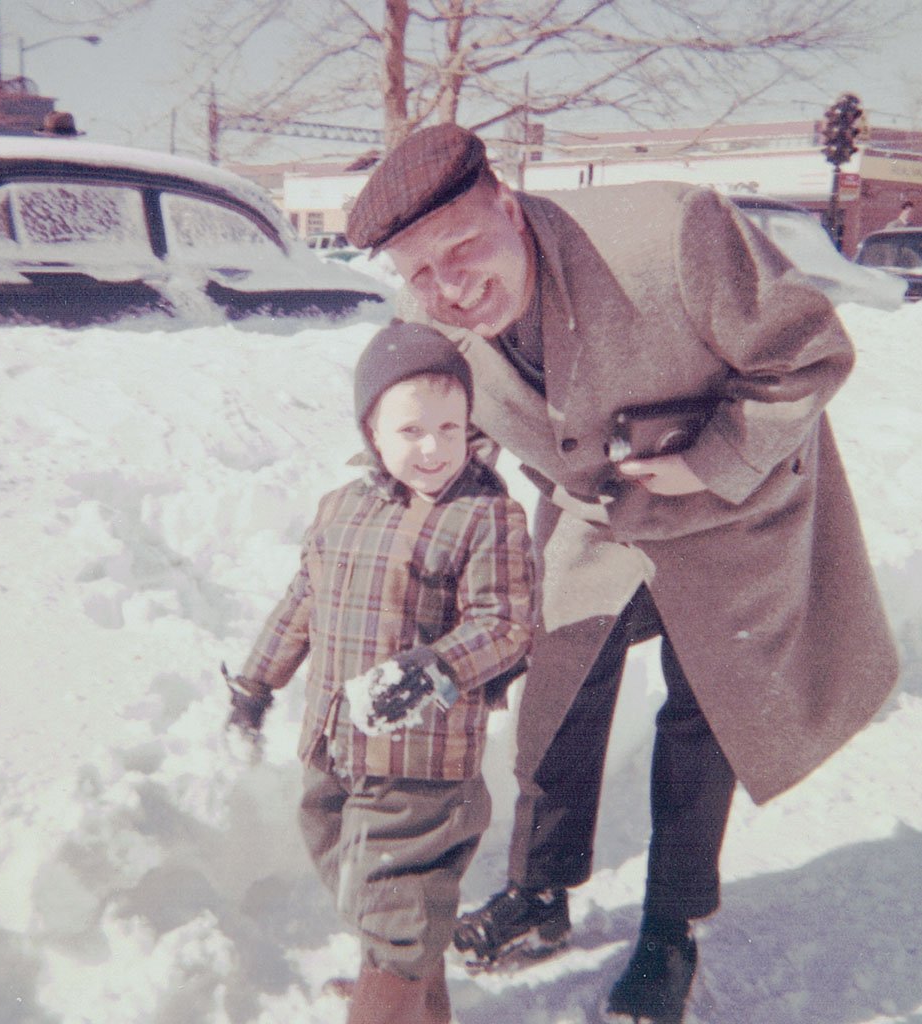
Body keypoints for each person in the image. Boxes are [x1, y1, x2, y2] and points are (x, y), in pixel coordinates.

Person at [344, 123, 899, 1024]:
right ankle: (538, 893)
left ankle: (670, 930)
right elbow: (453, 430)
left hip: (733, 508)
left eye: (463, 248)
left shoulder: (674, 234)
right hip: (596, 513)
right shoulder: (430, 316)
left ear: (507, 206)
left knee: (704, 708)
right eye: (421, 272)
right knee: (557, 687)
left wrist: (710, 459)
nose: (450, 287)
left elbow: (808, 354)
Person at [223, 321, 534, 1024]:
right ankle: (411, 995)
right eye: (411, 430)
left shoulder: (486, 515)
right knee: (366, 887)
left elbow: (506, 624)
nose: (433, 448)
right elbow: (303, 602)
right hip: (334, 746)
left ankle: (387, 998)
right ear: (371, 430)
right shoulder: (341, 509)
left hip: (420, 762)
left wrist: (434, 669)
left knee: (396, 904)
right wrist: (255, 684)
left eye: (450, 428)